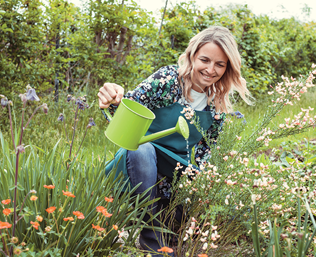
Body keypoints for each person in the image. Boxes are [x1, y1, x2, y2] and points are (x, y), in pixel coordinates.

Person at [97, 26, 252, 256]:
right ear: (192, 56)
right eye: (205, 60)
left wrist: (204, 190)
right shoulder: (169, 80)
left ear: (228, 68)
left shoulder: (217, 105)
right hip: (136, 168)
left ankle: (163, 226)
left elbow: (205, 156)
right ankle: (152, 240)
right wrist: (112, 97)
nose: (210, 70)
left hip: (173, 179)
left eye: (220, 64)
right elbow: (125, 109)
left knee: (181, 225)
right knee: (143, 148)